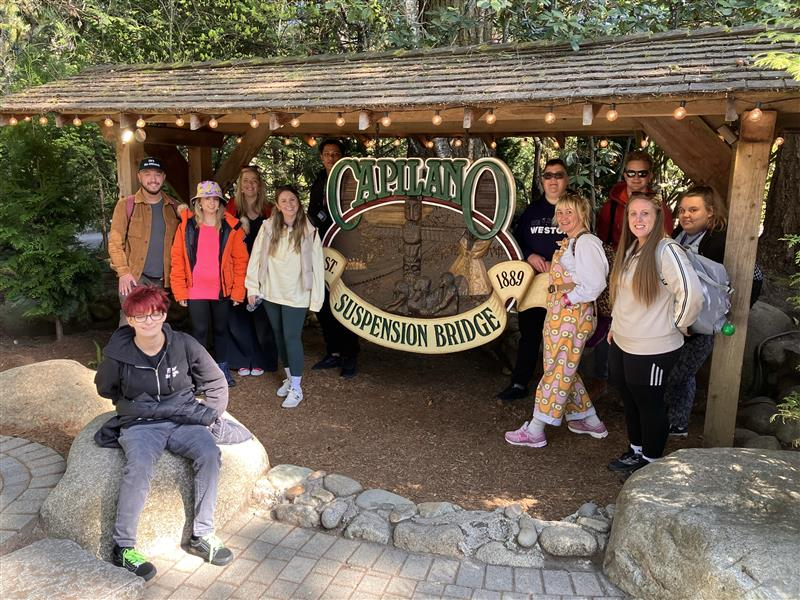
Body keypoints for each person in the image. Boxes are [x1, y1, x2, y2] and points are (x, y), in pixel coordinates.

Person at [94, 285, 242, 581]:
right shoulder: (118, 354)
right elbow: (105, 388)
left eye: (155, 313)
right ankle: (123, 547)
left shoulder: (184, 344)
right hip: (141, 423)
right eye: (141, 316)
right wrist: (133, 406)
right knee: (139, 466)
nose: (149, 321)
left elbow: (214, 381)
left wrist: (210, 414)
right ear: (130, 319)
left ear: (164, 314)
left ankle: (202, 535)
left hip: (183, 416)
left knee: (210, 453)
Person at [606, 192, 703, 475]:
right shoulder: (632, 248)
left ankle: (651, 464)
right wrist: (614, 326)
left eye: (645, 213)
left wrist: (679, 324)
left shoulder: (666, 250)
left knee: (649, 402)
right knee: (630, 397)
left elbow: (691, 293)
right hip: (624, 341)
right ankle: (636, 450)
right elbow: (623, 296)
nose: (638, 219)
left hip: (653, 346)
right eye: (633, 214)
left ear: (658, 217)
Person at [505, 194, 610, 448]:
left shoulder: (586, 243)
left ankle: (536, 428)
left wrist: (567, 299)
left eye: (569, 213)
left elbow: (595, 284)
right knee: (563, 366)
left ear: (582, 214)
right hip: (561, 314)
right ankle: (589, 420)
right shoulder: (572, 241)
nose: (563, 218)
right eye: (560, 213)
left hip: (572, 315)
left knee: (556, 369)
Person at [664, 186, 763, 437]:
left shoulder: (721, 241)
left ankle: (676, 422)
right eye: (683, 210)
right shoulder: (679, 235)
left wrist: (730, 311)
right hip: (677, 316)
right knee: (680, 370)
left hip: (703, 321)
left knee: (681, 372)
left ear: (710, 212)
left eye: (693, 210)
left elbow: (755, 275)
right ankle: (675, 422)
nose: (686, 215)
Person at [589, 150, 675, 399]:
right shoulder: (612, 206)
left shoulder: (659, 207)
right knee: (610, 318)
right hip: (617, 268)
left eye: (642, 173)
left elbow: (664, 238)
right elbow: (603, 241)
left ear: (650, 176)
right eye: (631, 172)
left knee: (643, 315)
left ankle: (639, 375)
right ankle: (603, 376)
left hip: (647, 268)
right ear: (624, 173)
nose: (636, 178)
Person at [246, 185, 324, 408]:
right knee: (279, 336)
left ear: (298, 202)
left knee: (291, 337)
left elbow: (318, 266)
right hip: (271, 291)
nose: (289, 204)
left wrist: (316, 299)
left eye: (292, 200)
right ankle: (290, 379)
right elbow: (256, 258)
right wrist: (252, 287)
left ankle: (297, 388)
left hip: (296, 293)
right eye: (284, 201)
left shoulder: (309, 231)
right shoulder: (269, 228)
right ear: (277, 207)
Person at [496, 158, 568, 401]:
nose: (553, 180)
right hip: (535, 285)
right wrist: (529, 255)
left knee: (559, 338)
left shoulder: (573, 209)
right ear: (542, 180)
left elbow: (585, 242)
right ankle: (519, 383)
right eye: (548, 176)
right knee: (530, 334)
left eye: (558, 175)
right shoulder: (532, 211)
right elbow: (516, 242)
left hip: (564, 286)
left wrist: (560, 262)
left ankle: (558, 389)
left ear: (566, 179)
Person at [170, 181, 248, 388]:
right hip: (196, 289)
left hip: (221, 288)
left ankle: (222, 369)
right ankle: (199, 372)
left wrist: (238, 291)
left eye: (215, 199)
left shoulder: (231, 227)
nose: (211, 203)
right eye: (207, 199)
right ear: (199, 202)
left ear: (220, 202)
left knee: (222, 330)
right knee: (199, 331)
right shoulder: (187, 226)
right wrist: (180, 291)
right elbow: (177, 259)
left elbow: (241, 261)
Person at [308, 139, 360, 378]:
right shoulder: (318, 182)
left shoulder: (352, 182)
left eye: (335, 154)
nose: (331, 158)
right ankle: (333, 351)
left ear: (342, 157)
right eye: (327, 154)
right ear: (321, 157)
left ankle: (350, 355)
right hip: (322, 250)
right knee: (324, 303)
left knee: (347, 302)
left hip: (346, 250)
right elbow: (312, 214)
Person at [108, 157, 181, 324]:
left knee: (155, 326)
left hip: (163, 281)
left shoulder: (174, 207)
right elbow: (115, 242)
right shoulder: (126, 204)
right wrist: (123, 272)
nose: (153, 179)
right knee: (131, 324)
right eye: (147, 174)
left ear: (163, 178)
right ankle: (123, 351)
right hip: (134, 277)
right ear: (139, 177)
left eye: (157, 174)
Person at [225, 166, 279, 378]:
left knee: (261, 317)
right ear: (240, 184)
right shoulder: (231, 206)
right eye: (245, 180)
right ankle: (242, 359)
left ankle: (262, 359)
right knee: (238, 317)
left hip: (262, 272)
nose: (249, 185)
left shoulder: (269, 209)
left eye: (254, 181)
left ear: (259, 185)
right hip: (238, 270)